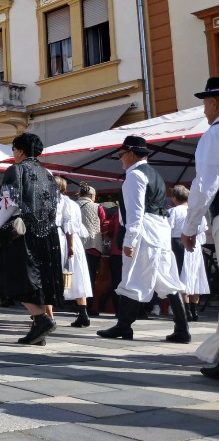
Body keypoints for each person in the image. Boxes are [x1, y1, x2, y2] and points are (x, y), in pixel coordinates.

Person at [97, 135, 189, 343]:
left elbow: (135, 212)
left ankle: (123, 326)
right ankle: (182, 330)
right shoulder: (153, 173)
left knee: (132, 278)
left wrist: (130, 241)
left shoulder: (135, 176)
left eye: (121, 155)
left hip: (145, 232)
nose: (120, 159)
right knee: (168, 281)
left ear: (130, 154)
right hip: (160, 232)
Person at [0, 133, 61, 346]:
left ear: (20, 150)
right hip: (47, 232)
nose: (13, 153)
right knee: (39, 280)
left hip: (23, 232)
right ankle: (38, 329)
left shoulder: (16, 170)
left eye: (13, 149)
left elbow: (10, 203)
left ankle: (41, 320)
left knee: (18, 278)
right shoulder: (48, 173)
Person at [185, 78, 219, 379]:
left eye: (205, 104)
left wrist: (191, 225)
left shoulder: (214, 134)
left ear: (215, 103)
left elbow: (205, 184)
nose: (204, 111)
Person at [54, 177, 93, 328]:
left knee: (58, 275)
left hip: (65, 240)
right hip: (74, 241)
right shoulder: (72, 203)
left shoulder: (61, 202)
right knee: (77, 276)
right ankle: (83, 313)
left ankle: (45, 314)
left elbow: (68, 226)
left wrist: (69, 246)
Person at [171, 186, 208, 321]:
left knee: (183, 276)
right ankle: (194, 310)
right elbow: (203, 229)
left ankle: (186, 311)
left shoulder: (173, 212)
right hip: (196, 244)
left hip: (179, 243)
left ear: (174, 198)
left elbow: (168, 228)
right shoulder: (197, 212)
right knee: (196, 276)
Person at [76, 182, 108, 315]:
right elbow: (104, 224)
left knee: (77, 277)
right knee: (90, 277)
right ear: (91, 195)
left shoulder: (73, 205)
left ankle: (77, 306)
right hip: (92, 247)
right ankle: (90, 307)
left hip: (76, 246)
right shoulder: (97, 207)